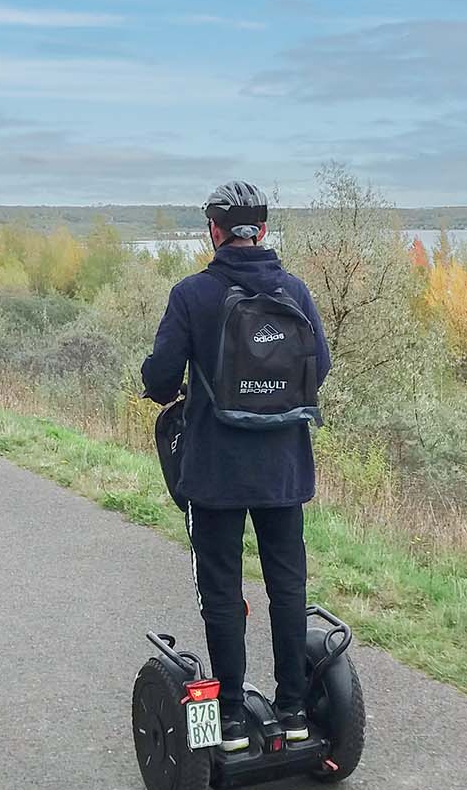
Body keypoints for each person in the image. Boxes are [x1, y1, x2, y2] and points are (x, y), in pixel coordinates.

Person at [142, 181, 332, 752]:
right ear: (264, 230)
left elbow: (158, 379)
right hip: (283, 471)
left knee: (222, 593)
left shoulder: (192, 294)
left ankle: (226, 722)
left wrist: (169, 383)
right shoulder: (294, 290)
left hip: (216, 473)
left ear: (214, 231)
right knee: (287, 588)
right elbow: (317, 367)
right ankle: (295, 711)